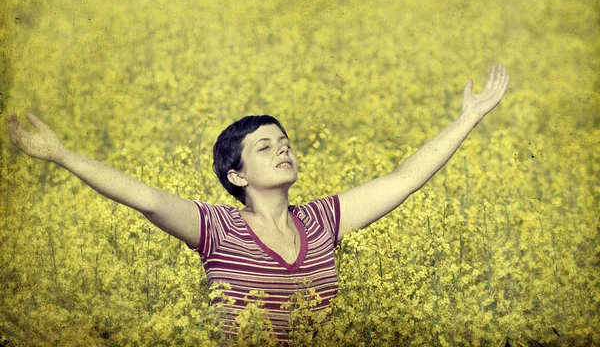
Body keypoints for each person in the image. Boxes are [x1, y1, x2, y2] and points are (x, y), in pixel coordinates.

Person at [6, 63, 510, 344]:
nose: (283, 149)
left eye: (285, 142)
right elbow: (143, 197)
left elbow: (405, 179)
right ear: (237, 174)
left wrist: (469, 117)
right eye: (265, 147)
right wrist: (61, 154)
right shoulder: (217, 227)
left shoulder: (321, 221)